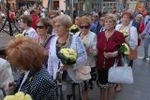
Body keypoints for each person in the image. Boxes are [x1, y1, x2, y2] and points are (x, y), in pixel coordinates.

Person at [47, 14, 87, 100]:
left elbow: (83, 57)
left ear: (66, 27)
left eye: (58, 26)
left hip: (72, 80)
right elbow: (50, 61)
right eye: (54, 26)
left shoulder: (75, 39)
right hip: (57, 81)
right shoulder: (53, 40)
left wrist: (70, 65)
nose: (55, 28)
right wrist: (50, 77)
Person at [97, 14, 125, 100]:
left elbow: (123, 49)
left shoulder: (119, 35)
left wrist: (113, 54)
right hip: (101, 64)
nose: (108, 23)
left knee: (111, 87)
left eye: (110, 22)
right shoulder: (100, 34)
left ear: (114, 23)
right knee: (102, 87)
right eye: (106, 22)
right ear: (104, 23)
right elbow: (97, 48)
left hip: (113, 65)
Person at [76, 16, 97, 100]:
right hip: (78, 65)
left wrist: (89, 51)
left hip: (88, 64)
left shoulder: (93, 35)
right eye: (82, 26)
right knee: (79, 85)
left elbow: (95, 51)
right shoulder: (76, 35)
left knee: (86, 86)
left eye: (86, 26)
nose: (84, 28)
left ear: (89, 26)